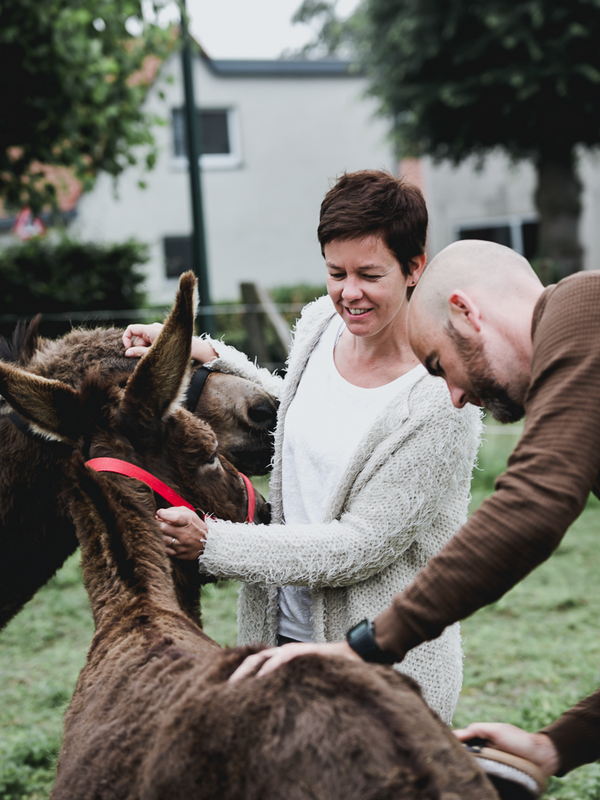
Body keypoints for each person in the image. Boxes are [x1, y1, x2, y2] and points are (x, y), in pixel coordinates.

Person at [233, 238, 600, 780]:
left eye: (439, 365)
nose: (454, 396)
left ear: (466, 313)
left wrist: (365, 648)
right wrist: (556, 746)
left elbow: (533, 505)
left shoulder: (583, 310)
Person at [123, 170, 482, 724]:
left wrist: (212, 544)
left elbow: (359, 547)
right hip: (276, 636)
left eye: (369, 274)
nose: (348, 293)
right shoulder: (320, 323)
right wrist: (207, 355)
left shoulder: (440, 400)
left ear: (415, 268)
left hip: (383, 673)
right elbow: (294, 409)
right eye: (336, 272)